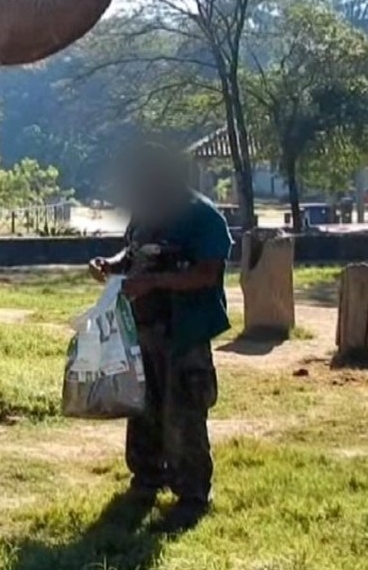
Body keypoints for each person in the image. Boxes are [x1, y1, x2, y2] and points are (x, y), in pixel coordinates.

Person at [88, 144, 233, 528]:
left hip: (184, 333)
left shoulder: (202, 217)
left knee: (183, 412)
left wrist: (152, 283)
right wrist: (112, 265)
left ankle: (192, 495)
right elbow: (132, 251)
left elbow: (206, 274)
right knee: (144, 408)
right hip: (144, 331)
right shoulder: (148, 212)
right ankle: (147, 477)